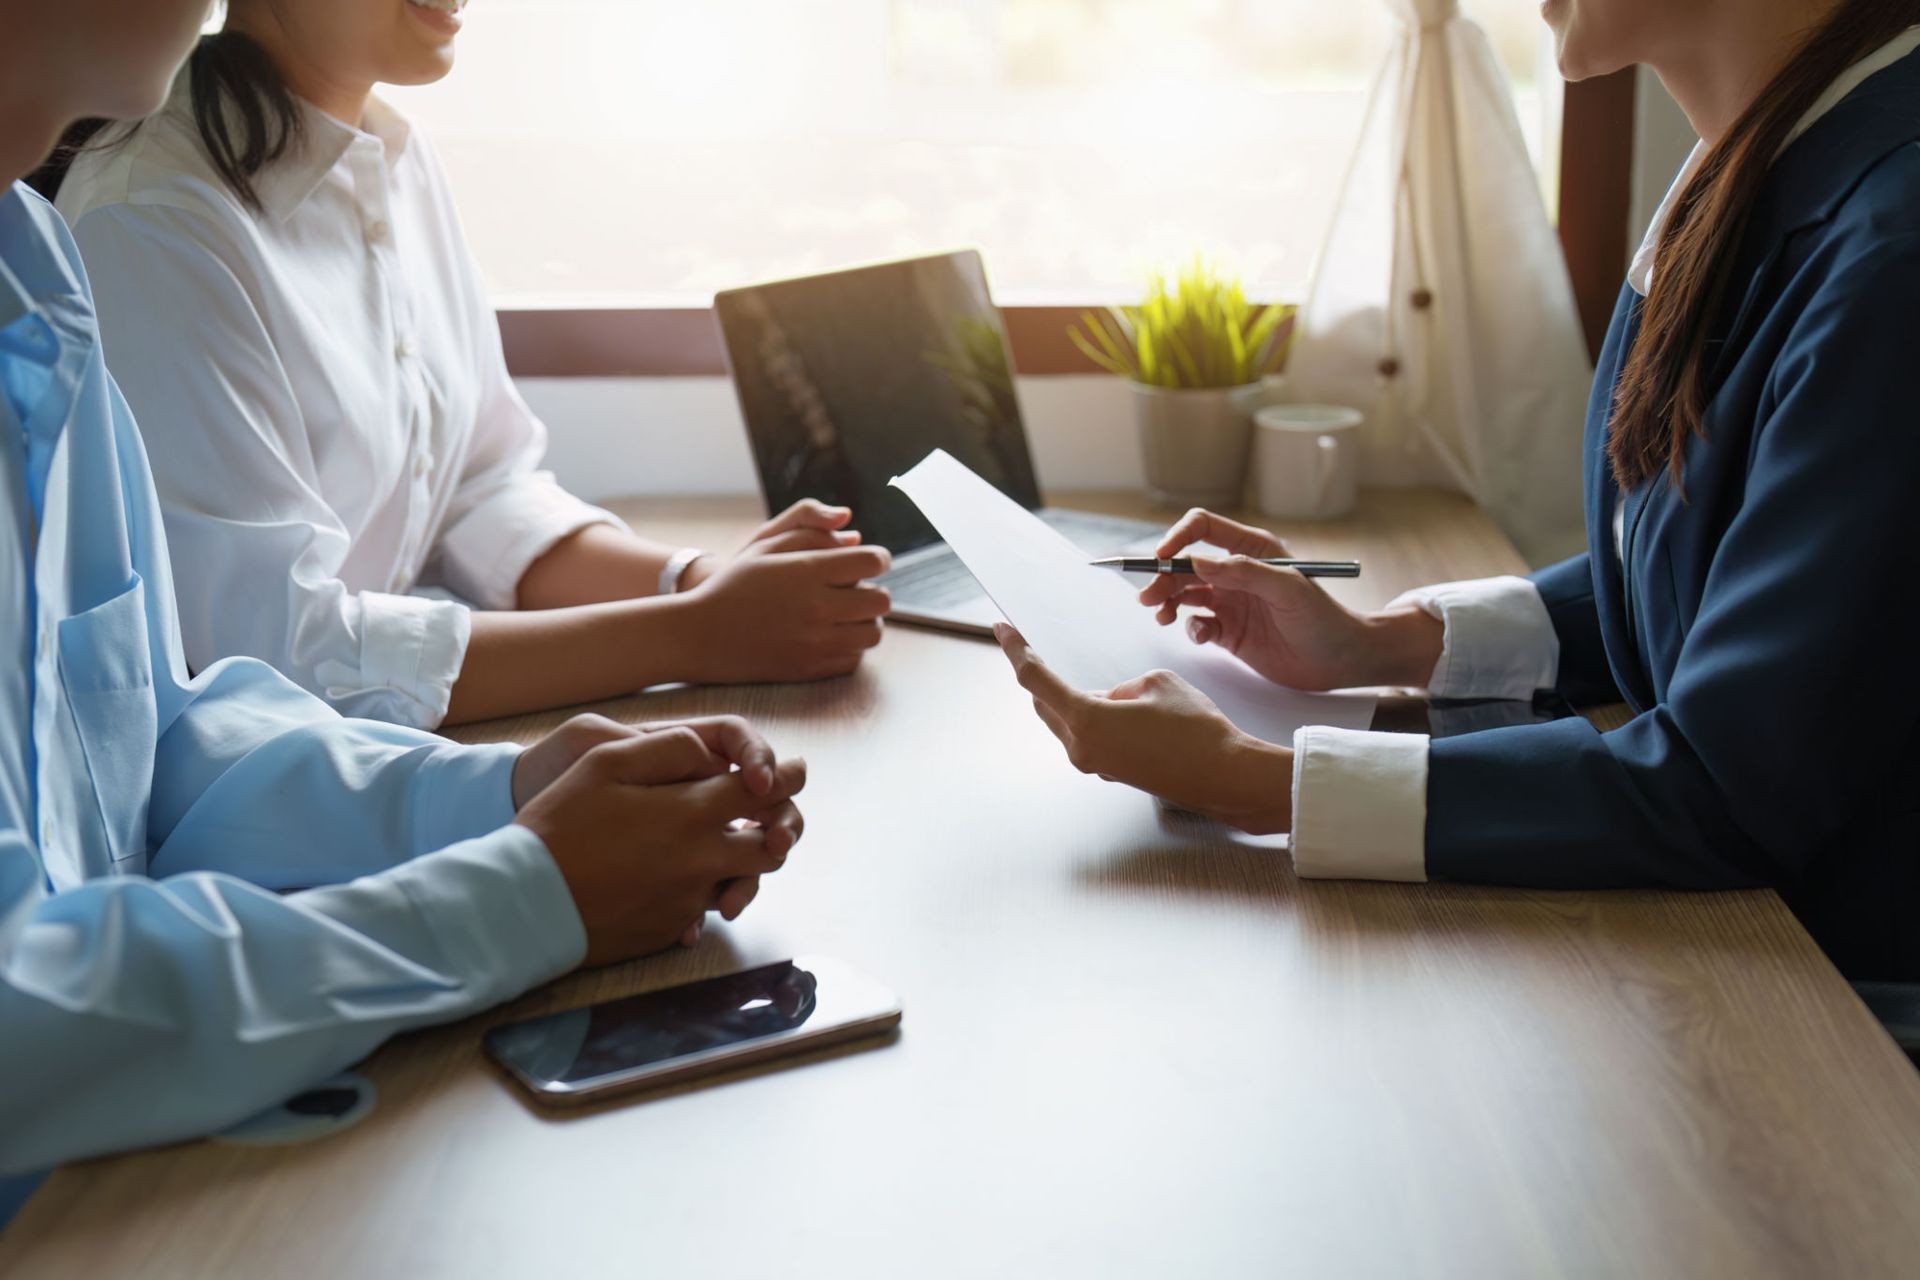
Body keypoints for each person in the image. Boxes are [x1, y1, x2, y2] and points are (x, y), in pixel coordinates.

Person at [0, 0, 807, 1213]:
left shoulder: (32, 265)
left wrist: (493, 795)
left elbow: (153, 743)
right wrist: (521, 894)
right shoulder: (129, 224)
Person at [996, 0, 1920, 981]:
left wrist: (1258, 780)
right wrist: (1375, 644)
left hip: (1852, 1012)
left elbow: (1730, 793)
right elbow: (1706, 590)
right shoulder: (1762, 164)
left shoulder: (1893, 256)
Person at [39, 0, 893, 730]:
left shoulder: (392, 158)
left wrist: (695, 581)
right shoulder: (153, 221)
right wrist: (694, 634)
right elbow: (274, 656)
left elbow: (478, 491)